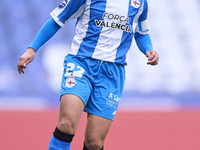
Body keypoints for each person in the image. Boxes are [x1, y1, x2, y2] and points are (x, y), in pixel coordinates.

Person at [17, 0, 159, 149]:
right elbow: (57, 19)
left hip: (112, 73)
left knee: (95, 142)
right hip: (82, 63)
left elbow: (141, 32)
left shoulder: (140, 3)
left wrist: (148, 49)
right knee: (67, 123)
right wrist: (32, 49)